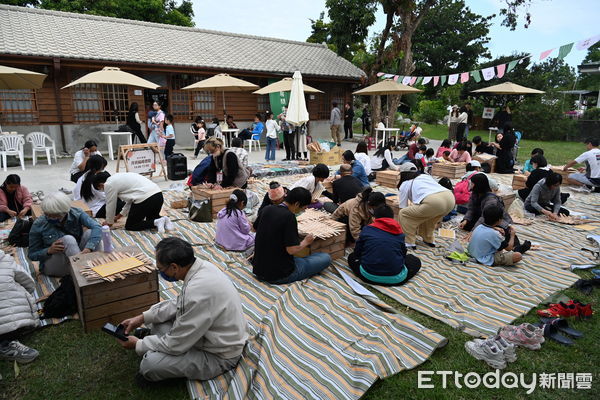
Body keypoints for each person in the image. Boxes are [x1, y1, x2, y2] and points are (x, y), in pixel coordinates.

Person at [116, 237, 247, 383]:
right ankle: (153, 341)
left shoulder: (197, 291)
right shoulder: (202, 268)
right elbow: (176, 304)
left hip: (219, 355)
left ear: (174, 267)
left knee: (150, 365)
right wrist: (142, 318)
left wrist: (138, 344)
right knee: (157, 319)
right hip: (204, 337)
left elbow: (175, 344)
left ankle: (161, 362)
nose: (160, 272)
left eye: (160, 269)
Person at [252, 187, 332, 284]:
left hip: (258, 269)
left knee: (305, 258)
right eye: (303, 208)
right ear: (297, 204)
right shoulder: (289, 217)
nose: (303, 211)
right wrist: (306, 241)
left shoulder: (267, 208)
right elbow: (291, 250)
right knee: (325, 258)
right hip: (278, 275)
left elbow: (254, 228)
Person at [28, 192, 102, 277]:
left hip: (75, 255)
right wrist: (48, 250)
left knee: (91, 233)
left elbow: (97, 227)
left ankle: (94, 267)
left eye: (55, 216)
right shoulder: (39, 224)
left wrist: (89, 248)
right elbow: (32, 255)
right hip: (56, 261)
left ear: (65, 212)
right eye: (47, 215)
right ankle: (84, 273)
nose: (50, 218)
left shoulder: (76, 213)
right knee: (68, 239)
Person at [347, 205, 421, 286]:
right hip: (395, 279)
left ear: (374, 218)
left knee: (351, 257)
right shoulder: (399, 233)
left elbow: (357, 252)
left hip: (368, 276)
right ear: (392, 218)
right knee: (415, 261)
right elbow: (403, 254)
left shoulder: (367, 229)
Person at [397, 165, 455, 248]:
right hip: (450, 198)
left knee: (403, 214)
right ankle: (428, 239)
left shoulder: (405, 184)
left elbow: (403, 207)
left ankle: (409, 242)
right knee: (430, 216)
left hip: (435, 202)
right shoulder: (424, 176)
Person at [93, 172, 172, 232]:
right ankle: (164, 220)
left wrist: (109, 222)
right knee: (150, 220)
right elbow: (130, 201)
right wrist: (119, 216)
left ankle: (158, 221)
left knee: (131, 225)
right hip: (158, 195)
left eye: (101, 189)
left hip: (146, 199)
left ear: (101, 185)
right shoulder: (119, 177)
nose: (103, 191)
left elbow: (110, 204)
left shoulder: (108, 184)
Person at [0, 249, 40, 364]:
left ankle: (6, 345)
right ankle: (7, 346)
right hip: (23, 320)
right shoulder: (6, 260)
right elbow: (29, 283)